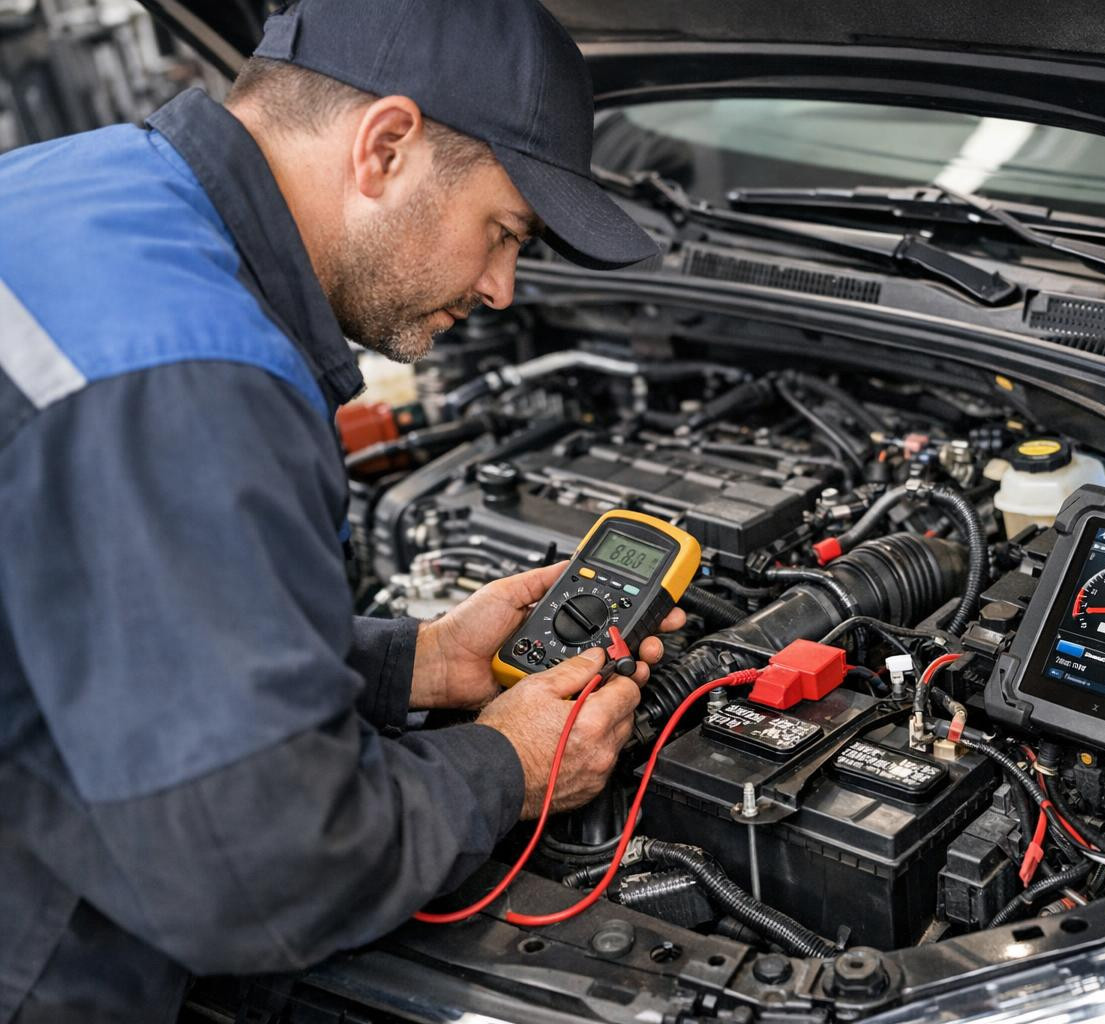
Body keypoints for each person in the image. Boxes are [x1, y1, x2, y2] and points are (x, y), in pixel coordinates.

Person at [0, 1, 673, 1020]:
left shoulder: (79, 188)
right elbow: (259, 870)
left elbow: (98, 617)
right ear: (386, 146)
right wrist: (510, 767)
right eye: (503, 232)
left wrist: (419, 664)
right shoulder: (192, 378)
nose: (502, 289)